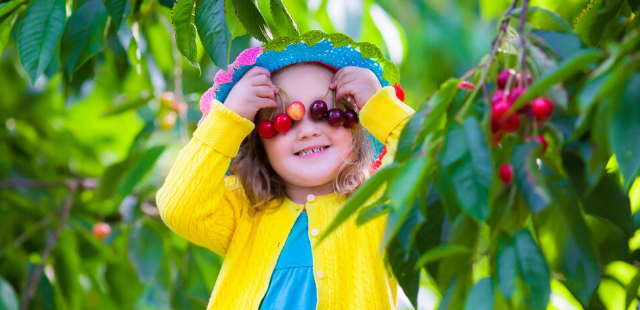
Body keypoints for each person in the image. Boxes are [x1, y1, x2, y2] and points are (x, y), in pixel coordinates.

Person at [155, 34, 415, 310]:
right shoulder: (247, 210)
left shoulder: (379, 204)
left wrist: (381, 107)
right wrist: (228, 118)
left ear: (355, 122)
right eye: (284, 122)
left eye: (325, 112)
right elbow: (179, 209)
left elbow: (434, 165)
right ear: (258, 142)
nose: (308, 131)